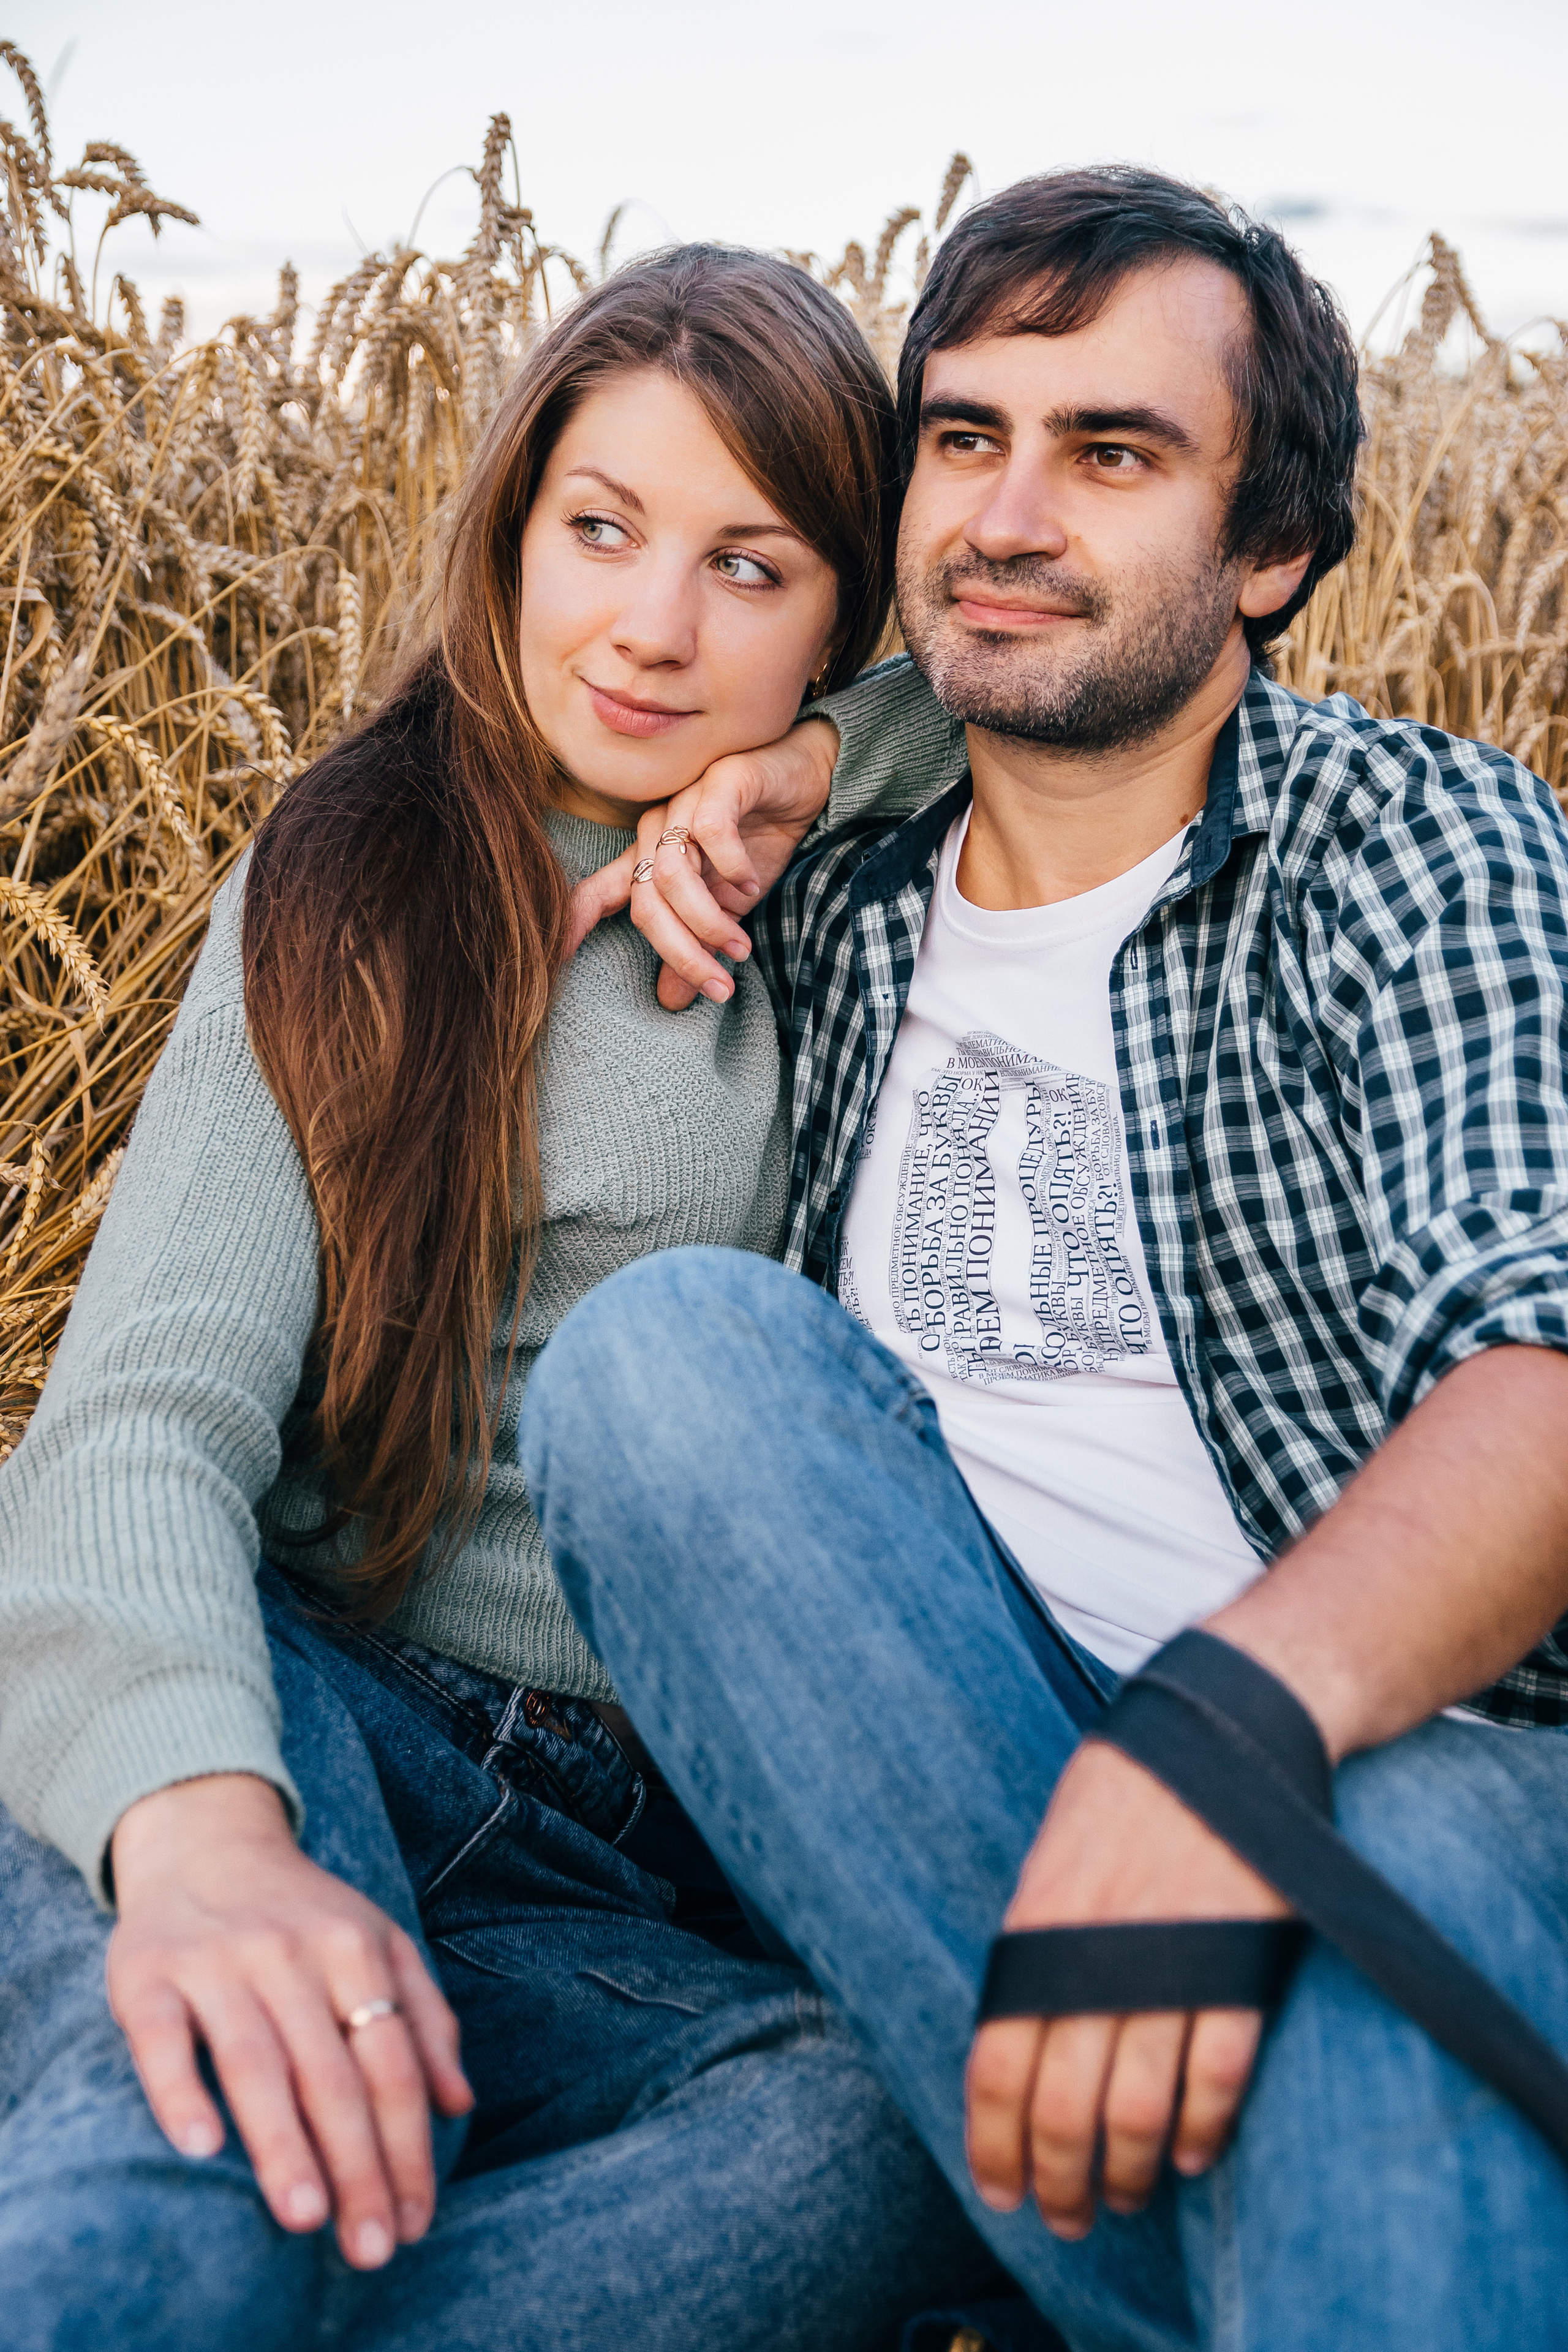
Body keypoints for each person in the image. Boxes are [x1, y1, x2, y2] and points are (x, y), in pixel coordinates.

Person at [523, 168, 1568, 2352]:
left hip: (1405, 1732)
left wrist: (1228, 1744)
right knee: (666, 1370)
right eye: (965, 436)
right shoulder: (818, 905)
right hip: (959, 1785)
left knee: (1404, 1880)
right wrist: (799, 753)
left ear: (1271, 548)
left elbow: (1543, 1360)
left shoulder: (1416, 847)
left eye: (1113, 453)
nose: (1005, 512)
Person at [0, 246, 996, 2349]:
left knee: (870, 2153)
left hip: (612, 1874)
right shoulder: (356, 875)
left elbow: (1076, 669)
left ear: (849, 610)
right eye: (602, 531)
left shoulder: (879, 875)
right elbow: (138, 1419)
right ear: (515, 531)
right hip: (298, 1706)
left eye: (752, 567)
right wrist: (203, 1841)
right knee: (233, 2161)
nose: (648, 629)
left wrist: (804, 766)